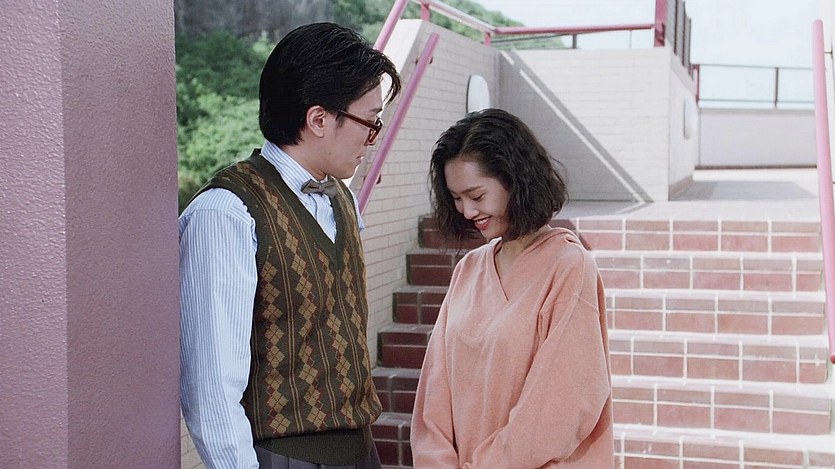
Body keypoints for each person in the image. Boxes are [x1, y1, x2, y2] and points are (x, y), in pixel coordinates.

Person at [179, 22, 401, 469]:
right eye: (369, 122)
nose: (372, 138)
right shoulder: (226, 212)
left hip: (361, 451)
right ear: (319, 119)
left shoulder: (342, 198)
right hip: (283, 456)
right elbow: (210, 385)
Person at [410, 108, 614, 468]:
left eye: (476, 195)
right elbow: (434, 396)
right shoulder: (468, 269)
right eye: (456, 198)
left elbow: (560, 408)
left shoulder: (569, 267)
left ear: (515, 181)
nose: (467, 211)